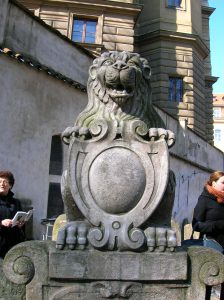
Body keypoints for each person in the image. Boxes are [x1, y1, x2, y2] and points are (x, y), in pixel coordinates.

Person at [192, 171, 224, 249]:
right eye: (223, 183)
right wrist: (217, 225)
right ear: (214, 183)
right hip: (212, 247)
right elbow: (196, 225)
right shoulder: (205, 199)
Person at [0, 170, 25, 258]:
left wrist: (20, 224)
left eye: (5, 182)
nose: (2, 184)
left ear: (10, 185)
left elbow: (20, 221)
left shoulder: (16, 203)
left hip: (12, 244)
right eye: (0, 181)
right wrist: (1, 223)